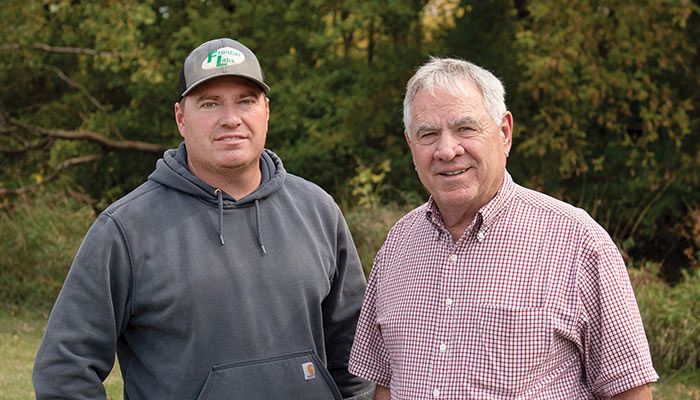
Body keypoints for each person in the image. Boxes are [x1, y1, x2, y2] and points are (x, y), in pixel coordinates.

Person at [33, 38, 373, 400]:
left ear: (266, 111)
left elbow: (356, 363)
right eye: (210, 104)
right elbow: (65, 370)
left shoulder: (318, 211)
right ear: (181, 117)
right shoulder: (126, 230)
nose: (231, 119)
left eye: (246, 101)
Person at [348, 57, 659, 399]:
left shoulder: (577, 241)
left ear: (504, 133)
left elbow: (628, 390)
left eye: (465, 128)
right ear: (411, 144)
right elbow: (385, 387)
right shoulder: (398, 245)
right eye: (428, 134)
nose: (447, 150)